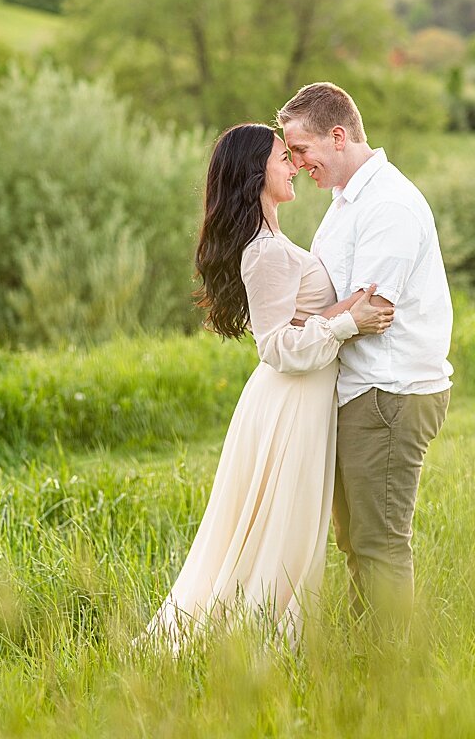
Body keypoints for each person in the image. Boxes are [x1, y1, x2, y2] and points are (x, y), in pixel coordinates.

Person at [145, 123, 393, 650]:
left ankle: (272, 637)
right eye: (285, 157)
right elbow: (276, 346)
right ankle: (264, 646)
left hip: (300, 398)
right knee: (285, 528)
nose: (295, 165)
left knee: (291, 525)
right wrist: (350, 323)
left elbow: (300, 319)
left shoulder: (275, 242)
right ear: (257, 171)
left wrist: (343, 309)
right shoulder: (264, 251)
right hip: (290, 402)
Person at [279, 82, 452, 625]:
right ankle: (370, 660)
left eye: (300, 148)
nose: (296, 161)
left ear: (338, 135)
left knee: (379, 545)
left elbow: (372, 307)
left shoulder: (390, 204)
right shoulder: (346, 202)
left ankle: (394, 675)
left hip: (389, 392)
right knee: (356, 543)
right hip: (362, 390)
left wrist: (288, 332)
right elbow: (343, 301)